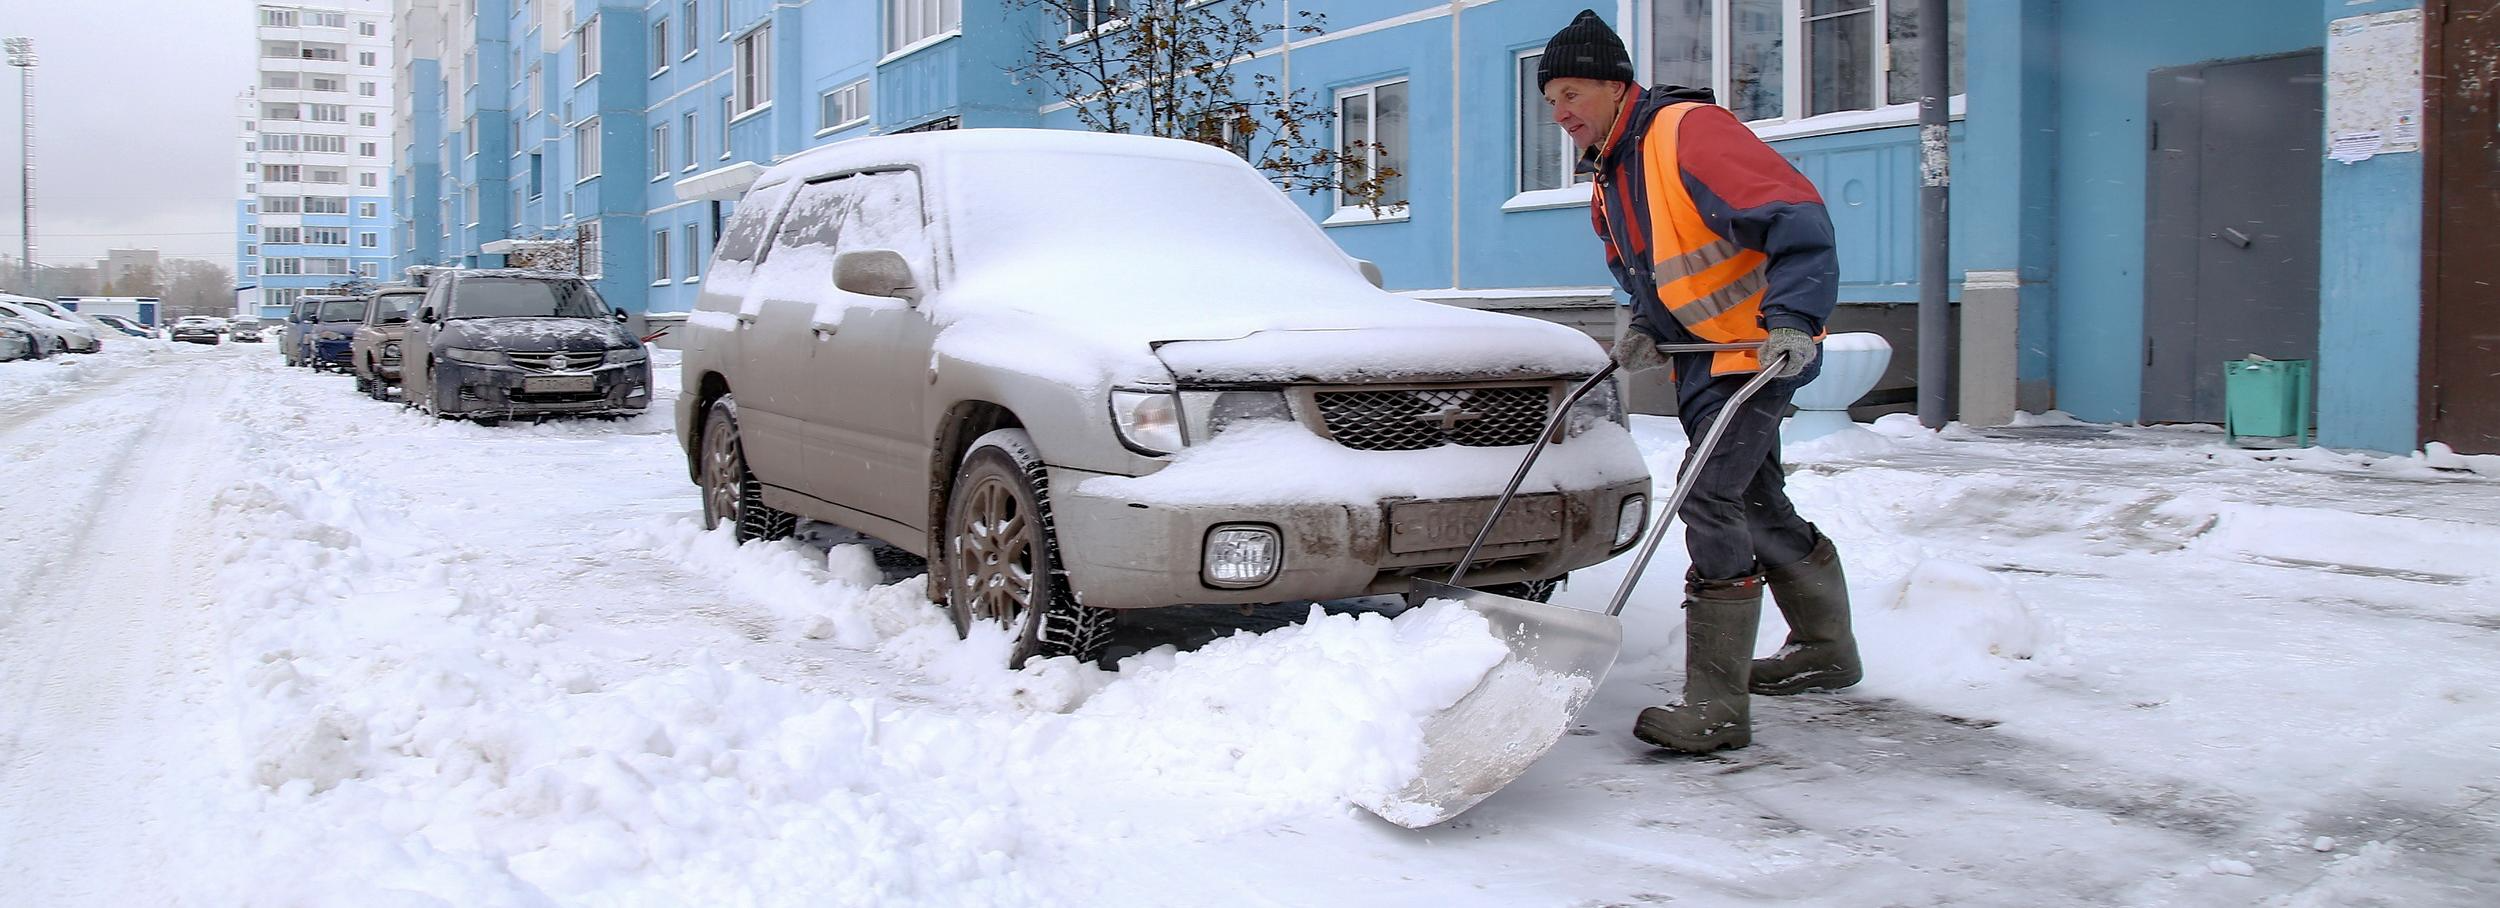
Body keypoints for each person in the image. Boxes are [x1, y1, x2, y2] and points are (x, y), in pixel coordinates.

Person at [1538, 9, 1863, 754]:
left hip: (1759, 349)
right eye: (1550, 99)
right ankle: (1826, 648)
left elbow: (1798, 219)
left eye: (1573, 93)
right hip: (1705, 359)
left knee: (1708, 493)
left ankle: (1716, 704)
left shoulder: (1685, 131)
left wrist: (1793, 320)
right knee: (1751, 495)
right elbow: (1658, 268)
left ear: (1617, 87)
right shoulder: (1613, 172)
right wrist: (1649, 325)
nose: (1560, 114)